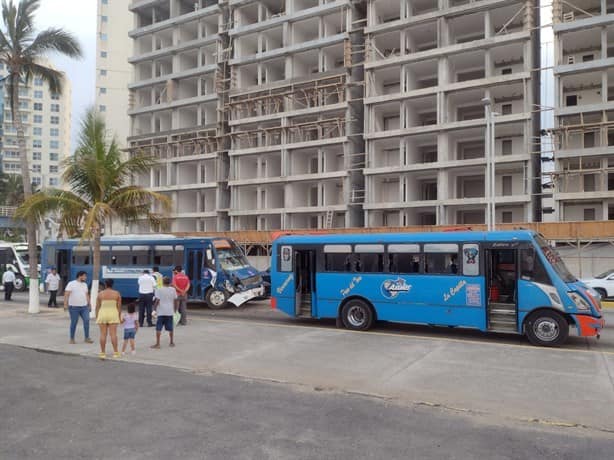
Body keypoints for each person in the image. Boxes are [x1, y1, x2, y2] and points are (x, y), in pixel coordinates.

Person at [64, 271, 94, 344]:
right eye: (84, 276)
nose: (85, 278)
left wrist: (89, 304)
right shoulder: (71, 284)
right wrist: (65, 304)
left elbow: (87, 295)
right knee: (74, 322)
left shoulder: (85, 285)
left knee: (87, 320)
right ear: (80, 276)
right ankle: (72, 339)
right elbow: (66, 294)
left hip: (84, 307)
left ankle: (87, 338)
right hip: (74, 307)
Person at [95, 279, 122, 359]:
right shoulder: (116, 293)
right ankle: (116, 352)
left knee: (103, 334)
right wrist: (119, 317)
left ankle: (103, 353)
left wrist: (97, 317)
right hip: (113, 314)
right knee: (113, 334)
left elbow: (97, 307)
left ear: (105, 285)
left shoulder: (100, 294)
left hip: (103, 314)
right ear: (112, 284)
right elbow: (119, 307)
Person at [151, 276, 177, 349]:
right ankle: (171, 342)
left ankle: (158, 344)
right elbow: (175, 300)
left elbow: (157, 301)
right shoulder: (173, 290)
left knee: (158, 328)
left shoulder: (159, 290)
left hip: (161, 312)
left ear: (163, 282)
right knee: (170, 328)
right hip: (170, 311)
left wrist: (154, 309)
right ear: (170, 282)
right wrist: (175, 309)